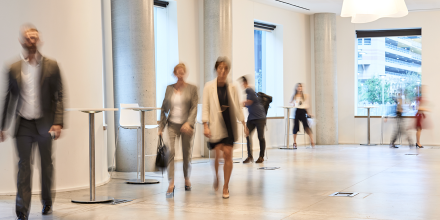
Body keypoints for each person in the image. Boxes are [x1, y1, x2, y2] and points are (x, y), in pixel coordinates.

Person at [0, 24, 64, 220]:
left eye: (35, 37)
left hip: (45, 124)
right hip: (24, 126)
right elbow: (9, 98)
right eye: (28, 37)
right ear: (22, 41)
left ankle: (47, 202)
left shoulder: (52, 65)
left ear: (39, 40)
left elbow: (59, 95)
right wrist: (2, 126)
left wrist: (58, 121)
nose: (32, 40)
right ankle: (22, 211)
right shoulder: (13, 68)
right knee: (24, 168)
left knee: (46, 166)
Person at [202, 56, 248, 199]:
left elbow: (237, 106)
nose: (222, 71)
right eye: (220, 68)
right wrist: (205, 125)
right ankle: (217, 176)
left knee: (228, 154)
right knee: (217, 155)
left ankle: (226, 186)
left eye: (225, 69)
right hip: (215, 124)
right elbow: (205, 106)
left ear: (228, 71)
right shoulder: (208, 86)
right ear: (216, 70)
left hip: (229, 124)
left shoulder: (232, 87)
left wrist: (244, 123)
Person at [158, 63, 198, 198]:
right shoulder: (169, 89)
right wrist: (161, 127)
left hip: (186, 125)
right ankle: (171, 182)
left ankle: (186, 178)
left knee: (186, 153)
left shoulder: (192, 89)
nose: (180, 75)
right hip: (172, 124)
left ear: (185, 73)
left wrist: (189, 123)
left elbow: (194, 108)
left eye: (182, 72)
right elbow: (164, 108)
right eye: (177, 73)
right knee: (171, 152)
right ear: (175, 74)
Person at [240, 76, 266, 163]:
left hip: (259, 117)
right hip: (252, 117)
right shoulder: (249, 91)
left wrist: (242, 103)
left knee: (260, 137)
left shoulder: (249, 90)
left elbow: (249, 102)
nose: (241, 85)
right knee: (247, 135)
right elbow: (248, 103)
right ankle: (249, 156)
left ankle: (261, 156)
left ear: (245, 83)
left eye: (242, 83)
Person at [290, 83, 314, 148]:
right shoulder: (294, 95)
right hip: (297, 111)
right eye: (298, 86)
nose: (299, 88)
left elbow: (306, 105)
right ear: (296, 88)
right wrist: (293, 104)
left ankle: (312, 141)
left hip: (303, 111)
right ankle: (294, 142)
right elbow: (291, 103)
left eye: (300, 86)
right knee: (295, 127)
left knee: (306, 126)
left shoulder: (305, 96)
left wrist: (308, 113)